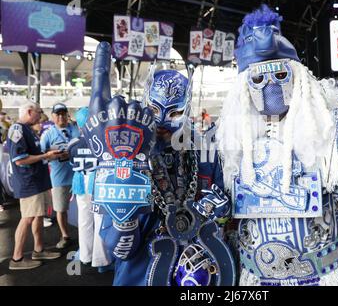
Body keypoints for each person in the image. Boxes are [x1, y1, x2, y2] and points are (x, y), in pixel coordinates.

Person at [217, 5, 338, 286]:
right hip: (256, 278)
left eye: (280, 76)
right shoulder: (230, 140)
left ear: (299, 77)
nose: (270, 86)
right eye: (259, 79)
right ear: (243, 87)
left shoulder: (329, 128)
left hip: (322, 276)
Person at [82, 42, 235, 286]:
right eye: (154, 109)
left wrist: (216, 210)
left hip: (196, 271)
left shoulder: (205, 151)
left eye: (174, 112)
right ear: (144, 102)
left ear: (187, 107)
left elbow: (224, 214)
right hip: (141, 273)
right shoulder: (126, 153)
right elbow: (119, 249)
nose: (163, 119)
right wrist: (120, 170)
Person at [7, 100, 63, 270]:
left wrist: (47, 155)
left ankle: (38, 249)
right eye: (39, 112)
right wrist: (45, 155)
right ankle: (16, 259)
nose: (41, 116)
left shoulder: (27, 130)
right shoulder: (17, 129)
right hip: (28, 182)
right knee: (27, 218)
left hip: (36, 181)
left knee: (38, 216)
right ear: (30, 112)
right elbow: (20, 160)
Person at [68, 107, 112, 269]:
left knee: (84, 219)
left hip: (80, 180)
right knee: (100, 219)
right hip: (97, 181)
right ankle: (100, 259)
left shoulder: (73, 142)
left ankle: (86, 255)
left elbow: (71, 162)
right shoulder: (101, 140)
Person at [40, 103, 80, 249]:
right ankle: (65, 235)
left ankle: (84, 234)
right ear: (53, 116)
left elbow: (83, 145)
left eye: (63, 113)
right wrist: (53, 155)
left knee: (82, 207)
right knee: (61, 208)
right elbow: (41, 156)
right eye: (58, 114)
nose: (61, 117)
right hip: (59, 178)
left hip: (78, 176)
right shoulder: (48, 134)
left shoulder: (75, 129)